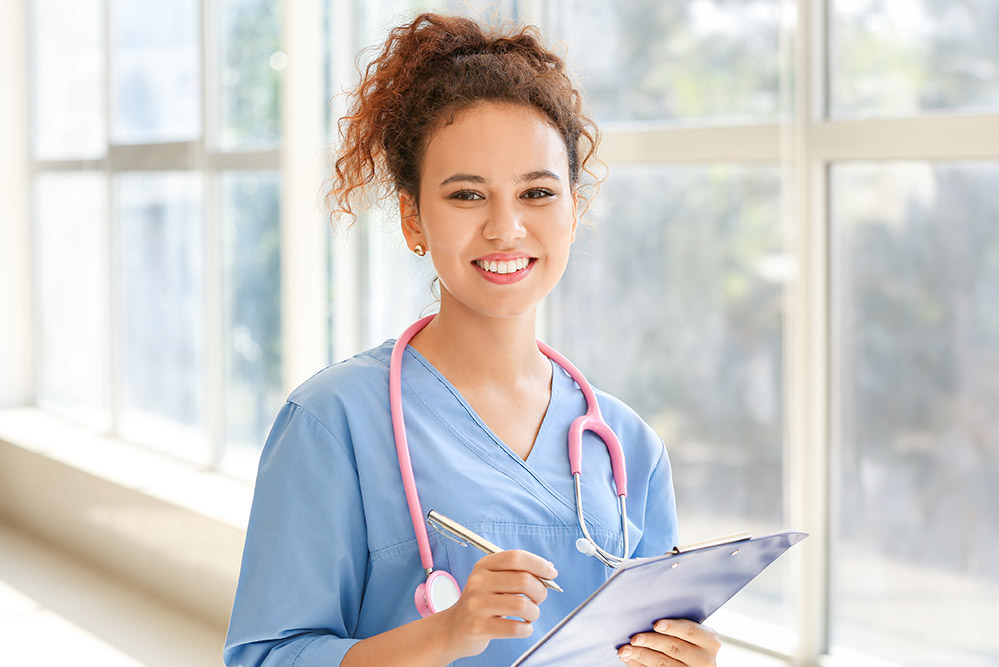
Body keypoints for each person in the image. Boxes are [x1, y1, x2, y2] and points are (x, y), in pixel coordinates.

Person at [225, 12, 721, 667]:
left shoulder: (630, 449)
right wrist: (445, 633)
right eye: (466, 195)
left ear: (576, 209)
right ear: (412, 217)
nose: (506, 227)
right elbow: (265, 658)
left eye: (537, 192)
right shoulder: (332, 422)